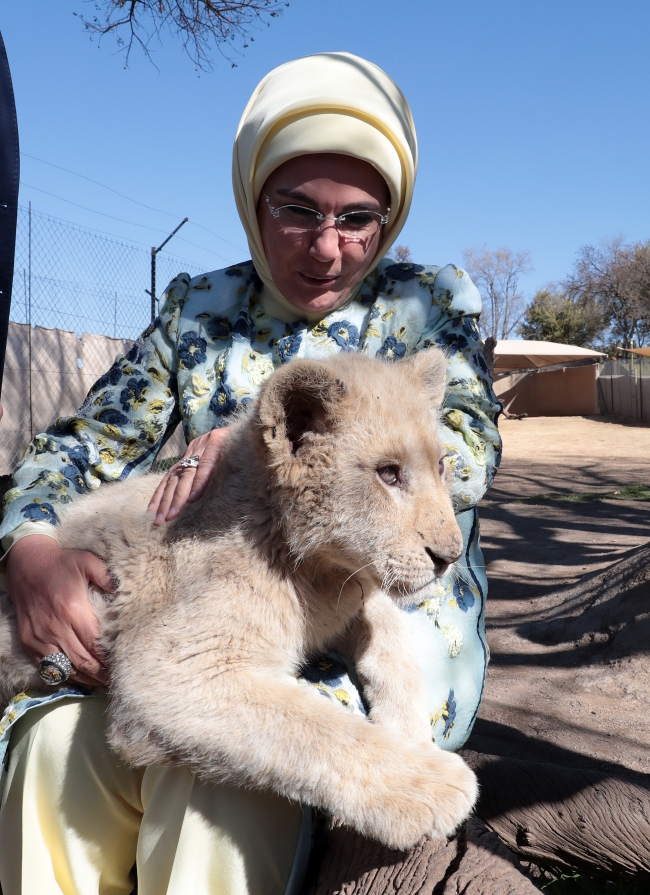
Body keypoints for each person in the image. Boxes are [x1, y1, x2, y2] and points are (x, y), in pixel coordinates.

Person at [0, 52, 501, 895]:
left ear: (392, 215)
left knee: (221, 791)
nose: (329, 246)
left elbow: (462, 444)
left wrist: (244, 438)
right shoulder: (198, 312)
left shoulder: (429, 302)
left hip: (369, 605)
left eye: (361, 217)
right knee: (54, 757)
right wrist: (28, 544)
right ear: (252, 196)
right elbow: (77, 447)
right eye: (297, 208)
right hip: (213, 603)